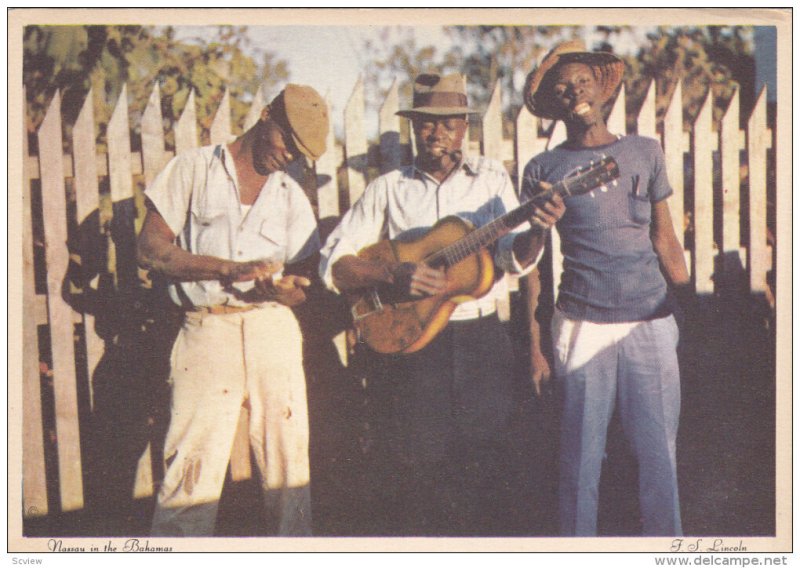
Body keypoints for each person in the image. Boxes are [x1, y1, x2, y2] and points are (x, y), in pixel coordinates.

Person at [319, 73, 565, 535]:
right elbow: (335, 264)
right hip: (413, 344)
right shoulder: (388, 188)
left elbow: (515, 259)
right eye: (428, 124)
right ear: (414, 128)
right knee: (415, 466)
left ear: (464, 128)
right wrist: (392, 273)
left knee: (487, 462)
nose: (438, 134)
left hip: (481, 341)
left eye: (449, 123)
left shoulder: (491, 181)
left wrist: (537, 231)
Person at [136, 84, 329, 536]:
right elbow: (149, 250)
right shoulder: (194, 169)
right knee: (191, 467)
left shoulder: (289, 193)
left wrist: (287, 292)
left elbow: (304, 286)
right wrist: (226, 269)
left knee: (288, 464)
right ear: (265, 116)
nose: (289, 158)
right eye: (287, 143)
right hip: (207, 329)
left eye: (300, 154)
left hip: (273, 331)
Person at [521, 40, 691, 536]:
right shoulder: (543, 169)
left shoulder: (645, 151)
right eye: (562, 87)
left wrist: (692, 314)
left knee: (659, 453)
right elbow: (531, 265)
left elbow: (665, 239)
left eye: (582, 81)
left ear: (602, 87)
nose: (574, 91)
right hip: (581, 324)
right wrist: (536, 350)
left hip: (651, 322)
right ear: (554, 105)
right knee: (580, 459)